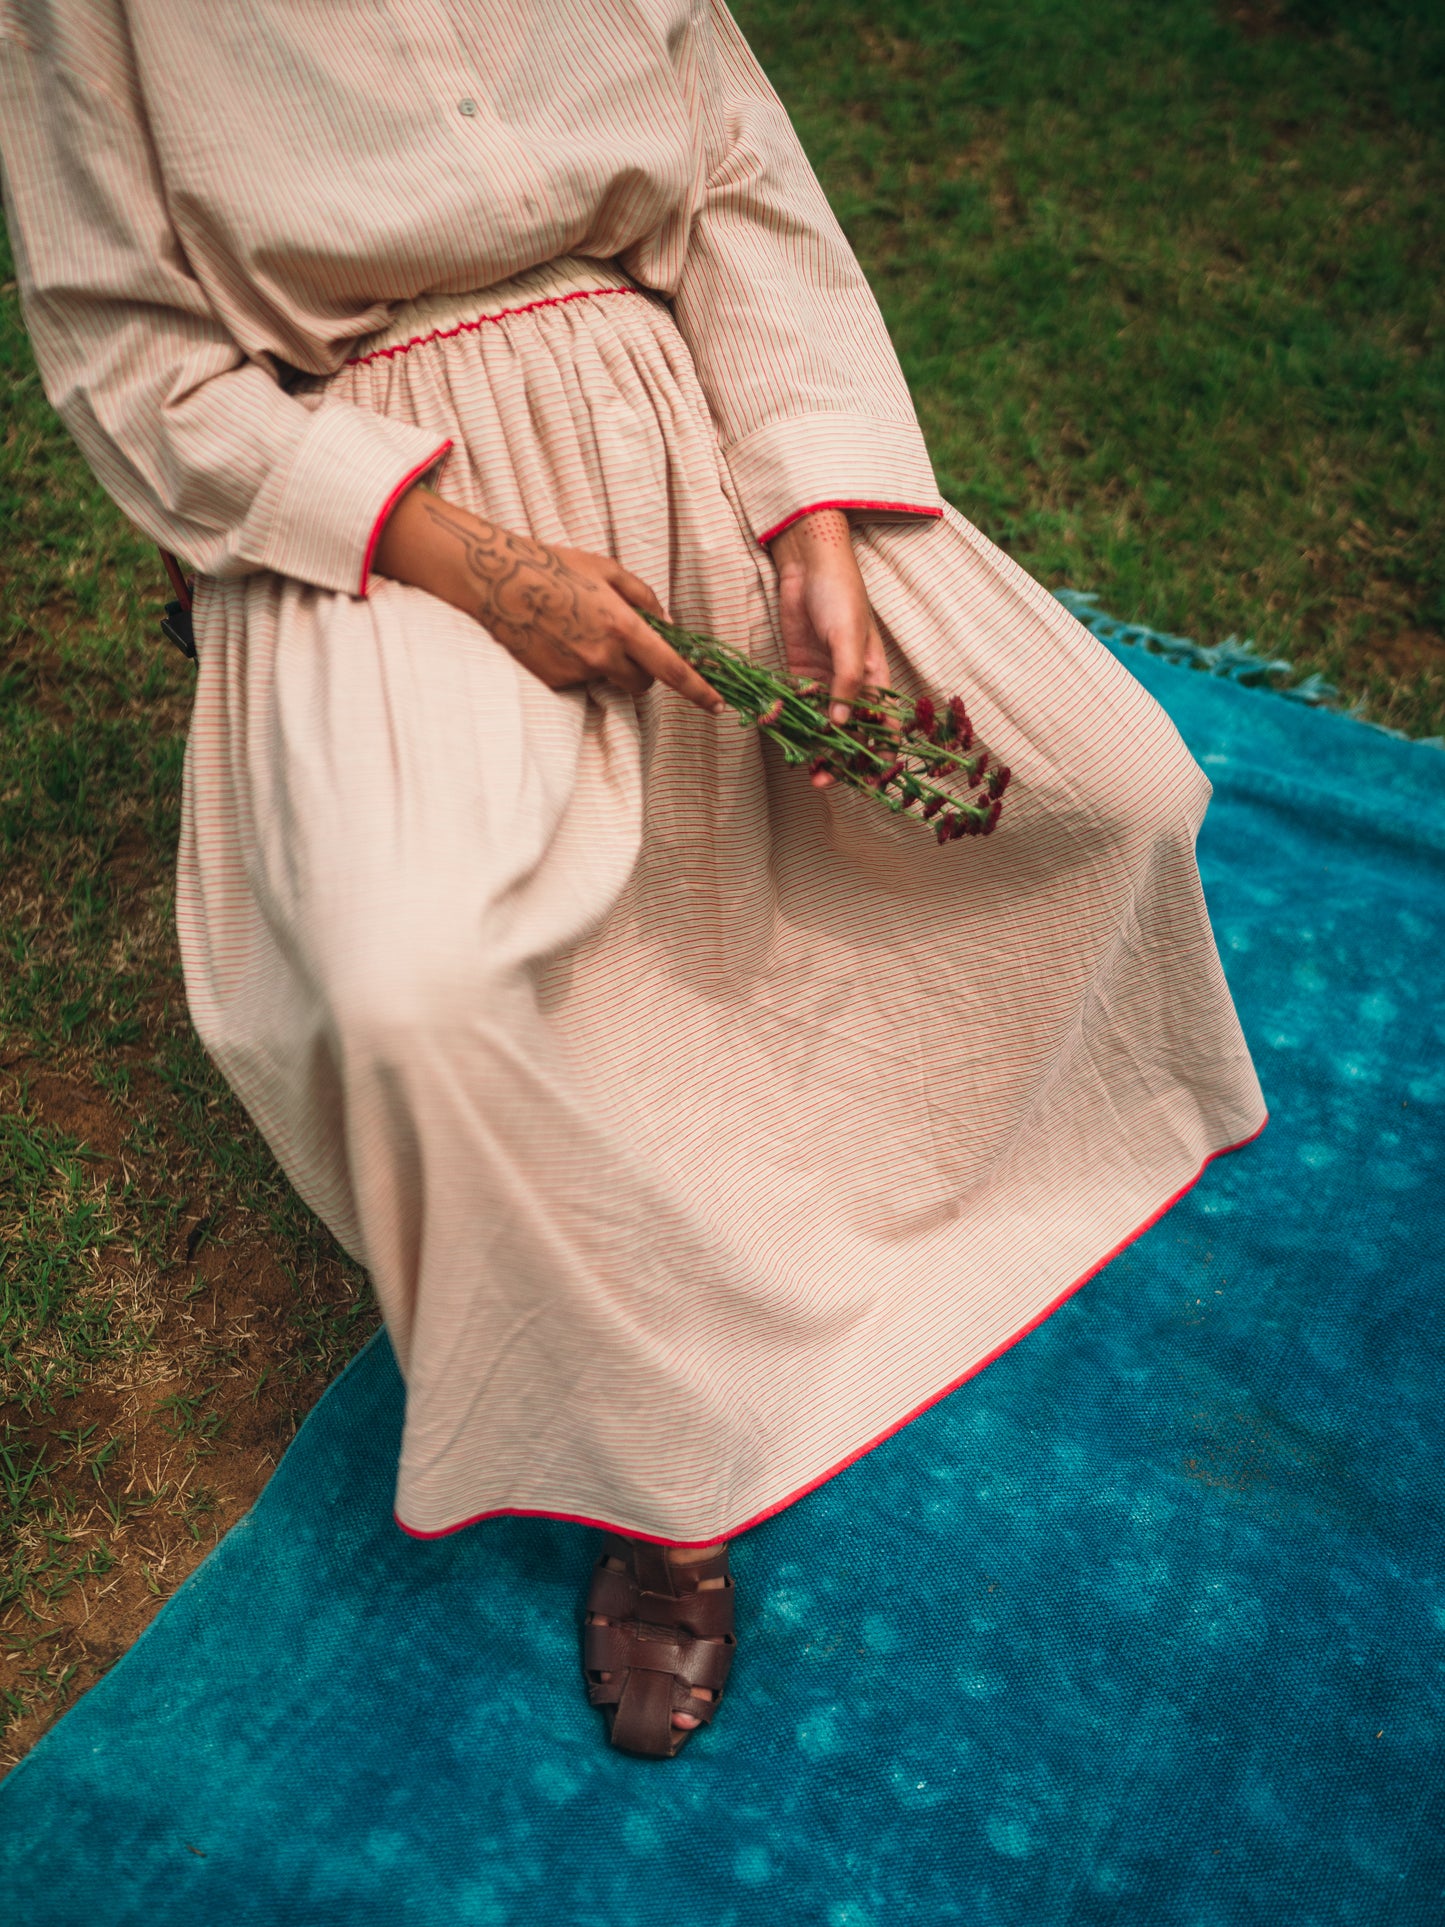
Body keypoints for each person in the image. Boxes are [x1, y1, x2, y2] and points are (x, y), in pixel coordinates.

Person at [1, 1, 1265, 1759]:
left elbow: (737, 189)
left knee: (1113, 789)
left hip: (665, 406)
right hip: (375, 507)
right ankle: (652, 1472)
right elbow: (125, 357)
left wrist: (811, 509)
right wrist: (478, 563)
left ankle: (867, 1174)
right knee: (405, 984)